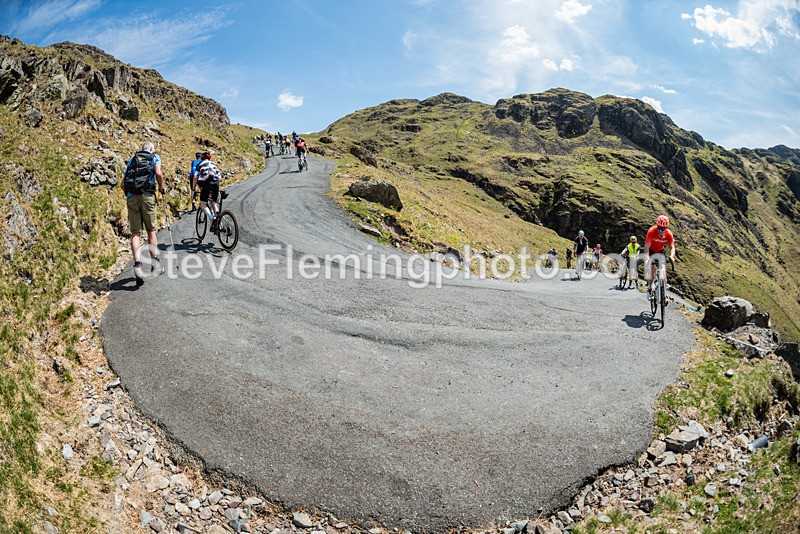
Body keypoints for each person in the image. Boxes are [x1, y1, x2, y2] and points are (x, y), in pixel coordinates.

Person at [122, 141, 165, 285]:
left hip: (131, 197)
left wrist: (129, 196)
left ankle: (137, 264)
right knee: (151, 231)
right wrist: (161, 187)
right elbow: (158, 173)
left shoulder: (132, 160)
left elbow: (123, 184)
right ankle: (155, 264)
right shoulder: (154, 157)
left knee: (135, 233)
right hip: (147, 196)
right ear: (151, 149)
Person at [644, 215, 676, 300]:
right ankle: (650, 287)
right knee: (653, 268)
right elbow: (646, 247)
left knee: (663, 270)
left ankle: (664, 292)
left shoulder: (669, 234)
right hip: (651, 251)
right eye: (659, 227)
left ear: (666, 228)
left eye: (662, 228)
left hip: (660, 252)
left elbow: (672, 247)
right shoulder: (651, 231)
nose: (660, 230)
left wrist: (672, 256)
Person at [193, 151, 222, 232]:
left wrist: (193, 189)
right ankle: (218, 219)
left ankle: (212, 219)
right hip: (216, 183)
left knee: (202, 205)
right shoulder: (214, 164)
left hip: (206, 183)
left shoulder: (200, 165)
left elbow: (195, 177)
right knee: (214, 203)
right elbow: (220, 178)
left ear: (202, 158)